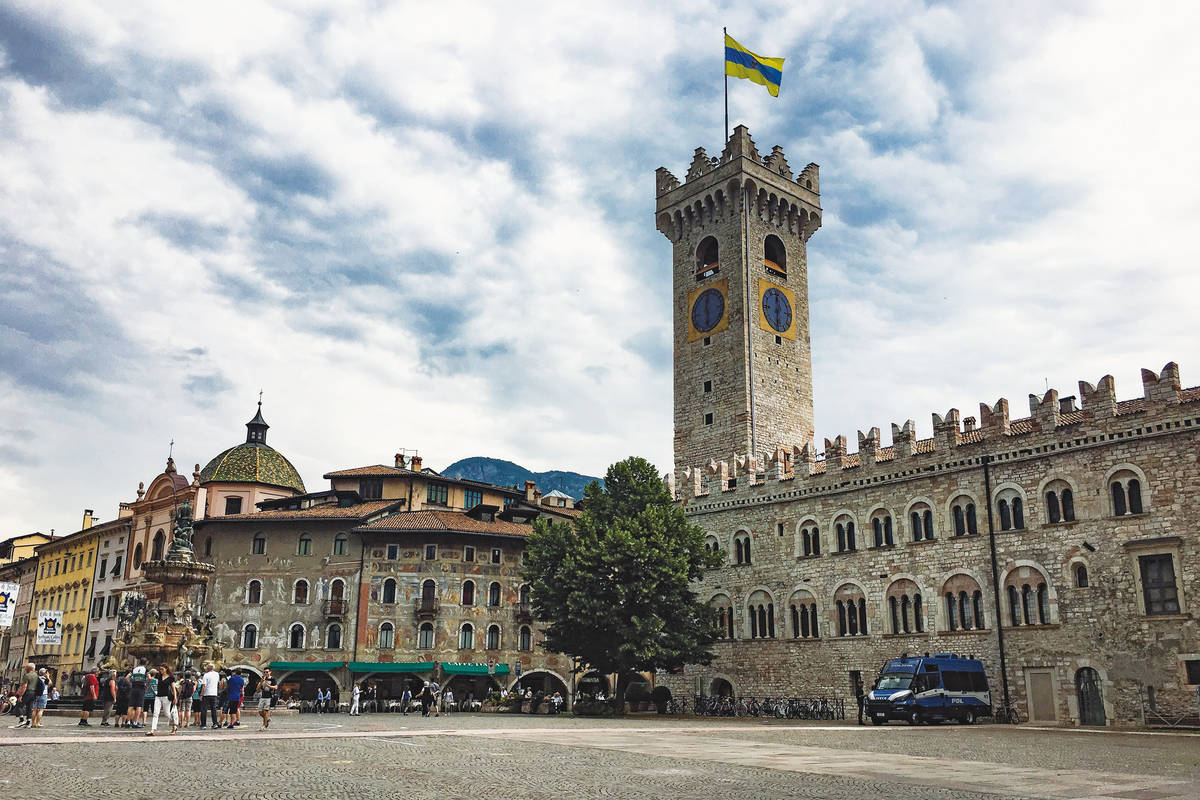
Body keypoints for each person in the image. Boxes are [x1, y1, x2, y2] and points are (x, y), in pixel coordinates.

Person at [148, 665, 177, 736]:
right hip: (158, 696)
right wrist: (150, 672)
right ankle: (153, 730)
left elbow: (173, 688)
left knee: (167, 713)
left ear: (166, 669)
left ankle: (174, 725)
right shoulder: (158, 676)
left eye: (162, 669)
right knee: (155, 713)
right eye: (160, 669)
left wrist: (175, 698)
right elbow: (150, 676)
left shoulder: (171, 678)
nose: (161, 670)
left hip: (166, 697)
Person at [13, 663, 39, 729]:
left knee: (19, 705)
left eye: (26, 668)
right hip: (34, 693)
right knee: (29, 707)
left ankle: (21, 721)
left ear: (29, 668)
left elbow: (24, 686)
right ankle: (28, 722)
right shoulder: (36, 675)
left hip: (27, 692)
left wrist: (20, 695)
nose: (25, 669)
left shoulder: (27, 675)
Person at [200, 662, 221, 729]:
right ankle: (215, 723)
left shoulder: (206, 675)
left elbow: (204, 685)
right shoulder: (217, 674)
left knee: (204, 709)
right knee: (214, 709)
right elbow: (218, 683)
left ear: (208, 669)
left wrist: (201, 694)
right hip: (214, 693)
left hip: (206, 694)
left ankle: (203, 725)